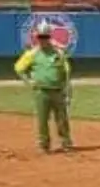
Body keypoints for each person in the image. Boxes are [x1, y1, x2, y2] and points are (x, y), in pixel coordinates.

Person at [14, 20, 73, 153]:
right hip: (41, 91)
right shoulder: (32, 54)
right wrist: (29, 81)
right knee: (42, 120)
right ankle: (44, 145)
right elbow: (18, 68)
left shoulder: (59, 53)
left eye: (45, 37)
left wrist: (67, 91)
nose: (43, 40)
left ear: (50, 37)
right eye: (40, 37)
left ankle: (66, 143)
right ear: (36, 38)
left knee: (62, 119)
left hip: (58, 91)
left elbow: (67, 72)